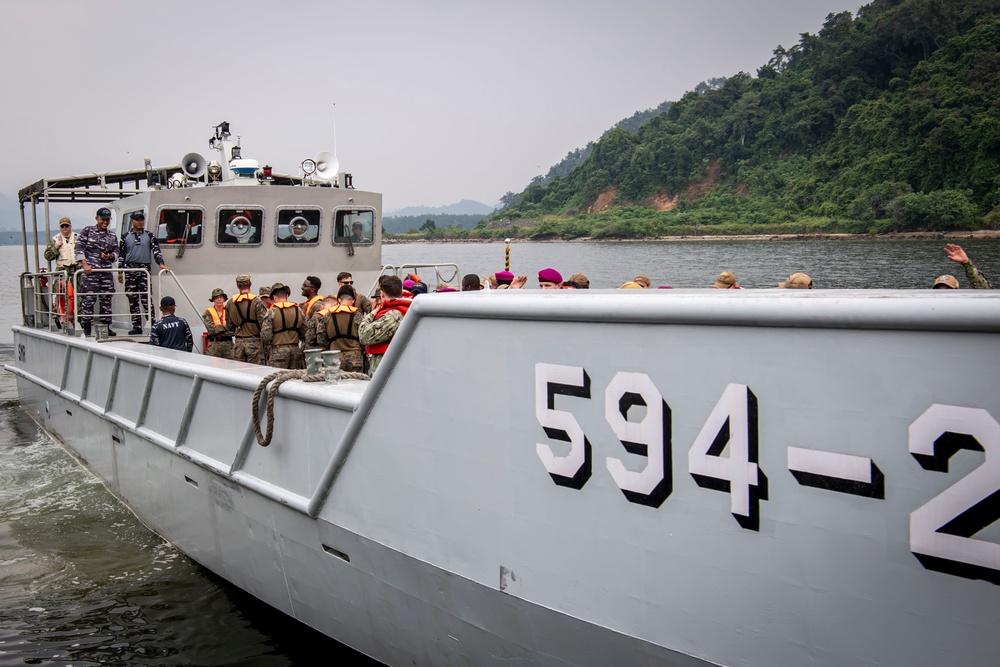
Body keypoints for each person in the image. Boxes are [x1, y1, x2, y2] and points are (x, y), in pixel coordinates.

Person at [118, 211, 168, 335]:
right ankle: (137, 326)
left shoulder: (149, 235)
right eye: (137, 220)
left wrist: (160, 263)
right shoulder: (125, 237)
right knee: (132, 298)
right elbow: (121, 255)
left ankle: (152, 323)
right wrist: (120, 271)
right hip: (130, 270)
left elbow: (156, 251)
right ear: (132, 221)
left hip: (144, 270)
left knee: (146, 298)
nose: (140, 222)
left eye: (142, 220)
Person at [75, 207, 119, 336]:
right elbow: (78, 248)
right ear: (97, 218)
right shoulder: (87, 231)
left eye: (107, 220)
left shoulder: (111, 235)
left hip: (105, 272)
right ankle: (87, 326)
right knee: (88, 299)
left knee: (106, 300)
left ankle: (106, 325)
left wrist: (110, 256)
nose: (105, 222)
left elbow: (117, 252)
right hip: (90, 273)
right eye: (103, 219)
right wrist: (85, 264)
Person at [359, 275, 410, 377]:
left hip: (385, 366)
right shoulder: (406, 310)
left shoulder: (394, 315)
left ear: (382, 294)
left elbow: (364, 335)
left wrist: (371, 314)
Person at [317, 285, 364, 373]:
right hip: (355, 357)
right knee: (355, 384)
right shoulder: (358, 316)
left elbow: (321, 338)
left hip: (334, 356)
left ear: (338, 300)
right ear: (353, 301)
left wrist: (331, 346)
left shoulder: (328, 316)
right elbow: (364, 337)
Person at [226, 273, 269, 364]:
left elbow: (229, 327)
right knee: (255, 373)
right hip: (255, 344)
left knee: (239, 373)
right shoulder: (257, 302)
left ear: (238, 286)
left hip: (238, 344)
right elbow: (264, 325)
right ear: (251, 284)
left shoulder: (230, 303)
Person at [261, 282, 305, 369]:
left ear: (274, 297)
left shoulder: (271, 312)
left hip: (278, 351)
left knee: (277, 377)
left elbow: (266, 336)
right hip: (295, 350)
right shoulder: (299, 310)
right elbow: (305, 332)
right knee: (294, 378)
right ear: (287, 296)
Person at [203, 288, 234, 359]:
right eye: (216, 297)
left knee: (231, 367)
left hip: (228, 345)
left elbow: (233, 330)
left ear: (224, 299)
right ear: (213, 300)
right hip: (214, 345)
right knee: (213, 368)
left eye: (221, 297)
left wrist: (218, 330)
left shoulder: (229, 311)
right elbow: (211, 330)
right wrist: (226, 327)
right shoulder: (207, 312)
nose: (219, 299)